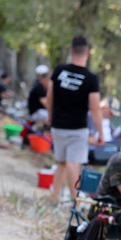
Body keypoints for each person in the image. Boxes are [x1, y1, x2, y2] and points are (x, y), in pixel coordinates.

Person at [47, 36, 103, 202]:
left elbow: (50, 96)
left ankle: (54, 197)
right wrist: (101, 132)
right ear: (88, 53)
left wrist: (50, 116)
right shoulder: (91, 79)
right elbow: (95, 107)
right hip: (77, 129)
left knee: (62, 163)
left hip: (58, 126)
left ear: (71, 52)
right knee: (73, 164)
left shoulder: (59, 71)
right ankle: (75, 202)